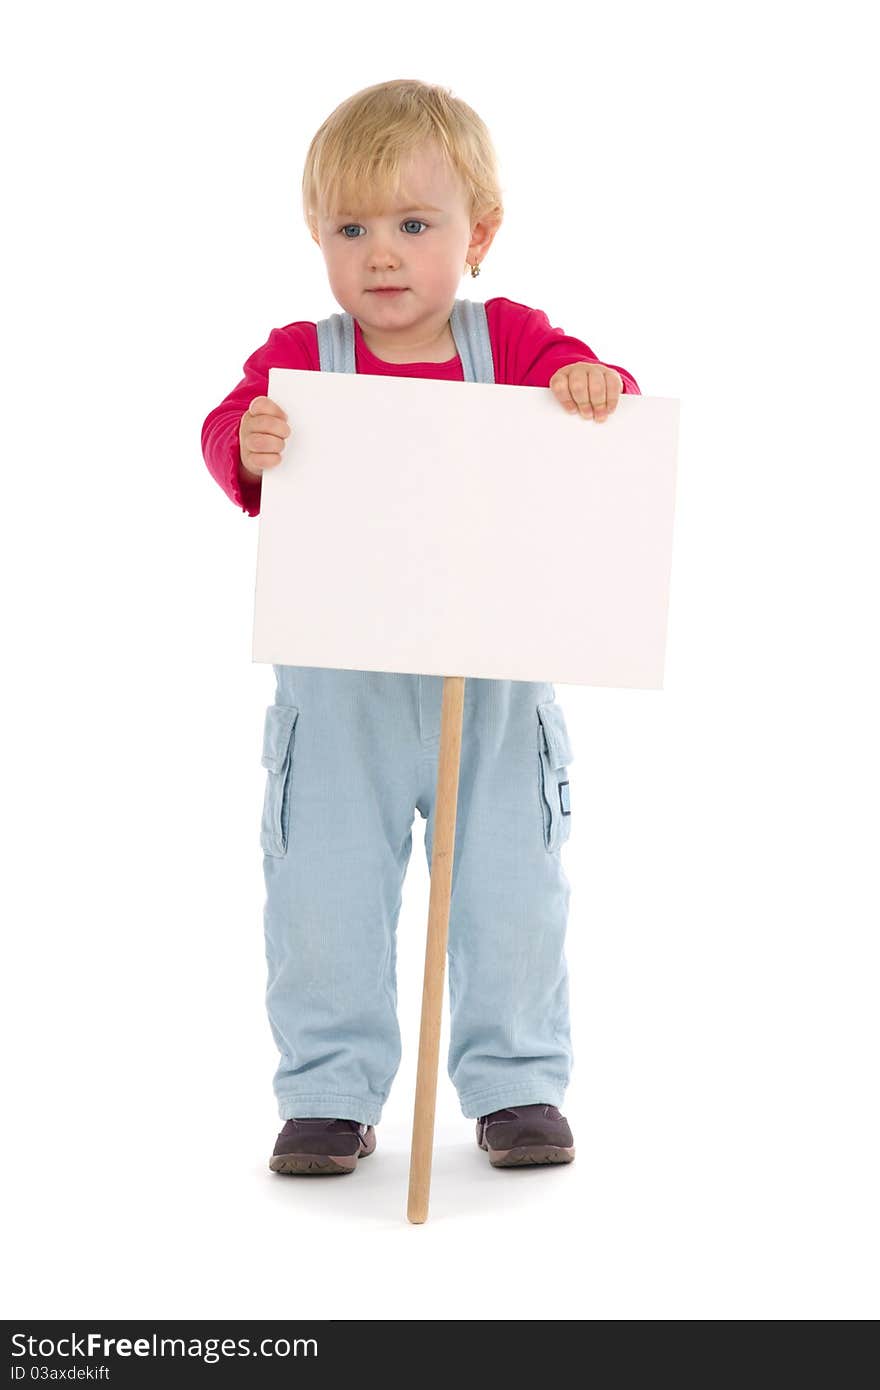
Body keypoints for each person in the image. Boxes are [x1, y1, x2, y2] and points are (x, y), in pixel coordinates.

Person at [201, 79, 640, 1177]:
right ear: (318, 236)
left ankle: (516, 1081)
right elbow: (226, 439)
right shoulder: (306, 356)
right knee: (323, 887)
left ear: (477, 235)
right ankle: (329, 1090)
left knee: (510, 882)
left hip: (487, 685)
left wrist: (593, 385)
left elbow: (608, 409)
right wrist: (248, 440)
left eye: (412, 225)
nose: (381, 255)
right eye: (351, 229)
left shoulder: (516, 341)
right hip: (340, 690)